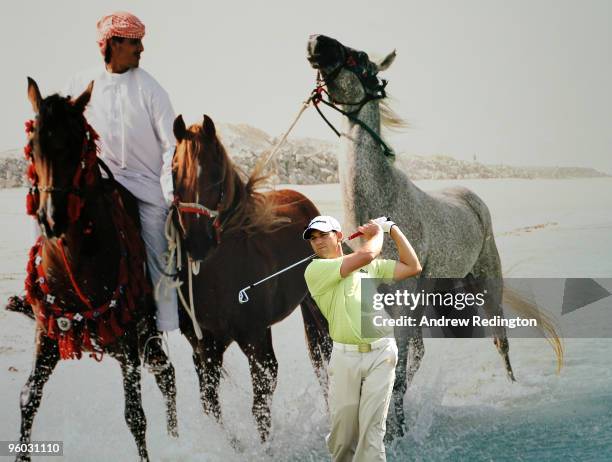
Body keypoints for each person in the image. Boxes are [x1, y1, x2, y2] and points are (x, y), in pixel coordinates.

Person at [61, 11, 179, 335]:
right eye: (134, 43)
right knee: (54, 217)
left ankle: (164, 322)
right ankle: (47, 301)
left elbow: (172, 144)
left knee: (158, 247)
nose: (141, 50)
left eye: (141, 42)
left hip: (145, 183)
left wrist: (168, 190)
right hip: (98, 178)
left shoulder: (151, 89)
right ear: (112, 44)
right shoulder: (81, 83)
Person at [303, 215, 422, 462]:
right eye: (313, 238)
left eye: (324, 235)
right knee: (343, 436)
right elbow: (366, 255)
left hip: (382, 354)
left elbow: (412, 266)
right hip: (345, 358)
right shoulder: (315, 270)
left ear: (338, 237)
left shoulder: (369, 267)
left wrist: (394, 229)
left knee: (372, 433)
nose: (318, 242)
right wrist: (378, 233)